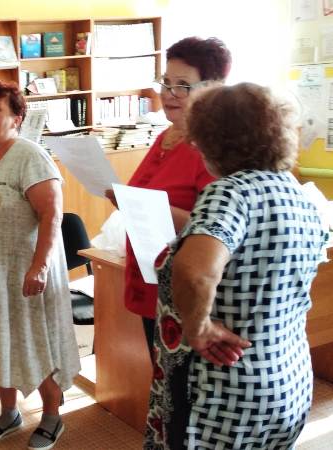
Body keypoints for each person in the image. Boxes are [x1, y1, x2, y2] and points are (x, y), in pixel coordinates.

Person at [144, 83, 328, 449]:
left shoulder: (230, 193)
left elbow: (196, 272)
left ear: (214, 140)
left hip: (225, 389)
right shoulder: (299, 195)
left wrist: (197, 329)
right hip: (286, 377)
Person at [0, 80, 80, 450]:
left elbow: (52, 213)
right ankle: (9, 413)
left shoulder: (29, 155)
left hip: (24, 273)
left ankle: (51, 416)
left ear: (17, 118)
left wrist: (39, 266)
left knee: (33, 341)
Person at [105, 37, 231, 361]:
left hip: (185, 293)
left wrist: (143, 207)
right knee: (161, 378)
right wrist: (128, 201)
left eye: (182, 85)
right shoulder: (165, 136)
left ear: (212, 89)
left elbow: (215, 229)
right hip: (149, 279)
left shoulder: (213, 149)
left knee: (178, 384)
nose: (169, 93)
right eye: (166, 82)